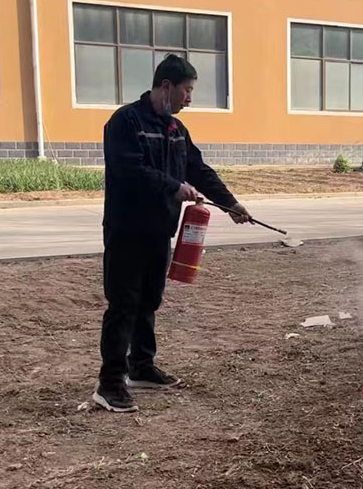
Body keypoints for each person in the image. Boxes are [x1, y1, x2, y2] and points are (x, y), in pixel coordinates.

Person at [93, 55, 252, 413]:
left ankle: (141, 367)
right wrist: (174, 187)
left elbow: (198, 169)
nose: (189, 99)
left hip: (159, 231)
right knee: (123, 305)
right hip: (126, 231)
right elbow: (129, 170)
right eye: (187, 90)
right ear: (166, 86)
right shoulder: (125, 122)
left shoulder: (176, 130)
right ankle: (110, 383)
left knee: (149, 301)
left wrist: (231, 203)